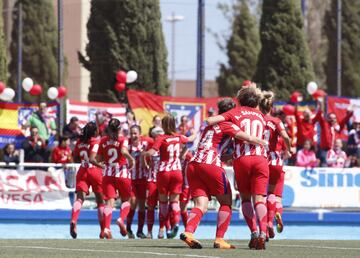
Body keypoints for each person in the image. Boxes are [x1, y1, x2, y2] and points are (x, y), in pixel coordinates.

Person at [180, 98, 267, 249]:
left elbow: (214, 146)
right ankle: (219, 239)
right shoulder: (227, 124)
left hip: (193, 164)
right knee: (226, 202)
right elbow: (249, 138)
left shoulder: (206, 127)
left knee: (201, 204)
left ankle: (188, 232)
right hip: (210, 163)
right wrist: (264, 142)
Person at [207, 85, 269, 250]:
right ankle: (263, 233)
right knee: (260, 200)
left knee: (246, 199)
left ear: (240, 100)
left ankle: (254, 233)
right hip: (261, 159)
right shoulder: (262, 116)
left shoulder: (235, 112)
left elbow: (212, 121)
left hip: (242, 160)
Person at [143, 115, 193, 239]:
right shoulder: (178, 137)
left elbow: (153, 152)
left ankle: (165, 228)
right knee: (175, 201)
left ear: (164, 125)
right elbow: (190, 139)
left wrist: (144, 154)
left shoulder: (161, 137)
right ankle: (175, 223)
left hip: (164, 172)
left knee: (163, 202)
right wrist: (195, 134)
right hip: (177, 171)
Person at [259, 91, 292, 240]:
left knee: (260, 196)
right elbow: (285, 137)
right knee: (274, 194)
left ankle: (263, 227)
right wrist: (289, 149)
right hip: (276, 160)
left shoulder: (257, 119)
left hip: (260, 159)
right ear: (271, 107)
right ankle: (270, 222)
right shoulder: (276, 121)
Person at [97, 118, 135, 239]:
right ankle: (121, 219)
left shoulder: (103, 140)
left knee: (109, 203)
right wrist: (130, 158)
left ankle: (107, 228)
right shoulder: (122, 139)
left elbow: (98, 158)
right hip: (121, 173)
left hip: (108, 173)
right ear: (119, 129)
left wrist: (104, 159)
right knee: (126, 200)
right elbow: (123, 151)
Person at [70, 122, 105, 239]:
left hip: (82, 170)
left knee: (79, 199)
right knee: (100, 201)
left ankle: (74, 220)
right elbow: (92, 158)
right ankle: (102, 230)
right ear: (95, 132)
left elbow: (75, 157)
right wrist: (102, 166)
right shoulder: (96, 141)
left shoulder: (80, 142)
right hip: (94, 171)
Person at [126, 125, 154, 239]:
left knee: (142, 205)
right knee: (132, 202)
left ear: (140, 134)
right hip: (130, 178)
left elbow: (156, 147)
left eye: (135, 133)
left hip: (143, 179)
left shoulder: (146, 143)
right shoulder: (126, 145)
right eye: (131, 133)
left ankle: (140, 231)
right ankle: (128, 228)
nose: (133, 136)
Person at [146, 127, 165, 239]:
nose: (160, 137)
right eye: (157, 135)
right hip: (152, 179)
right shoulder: (150, 147)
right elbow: (145, 157)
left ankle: (162, 229)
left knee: (163, 205)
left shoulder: (166, 146)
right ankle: (149, 231)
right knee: (151, 206)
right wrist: (147, 166)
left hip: (163, 179)